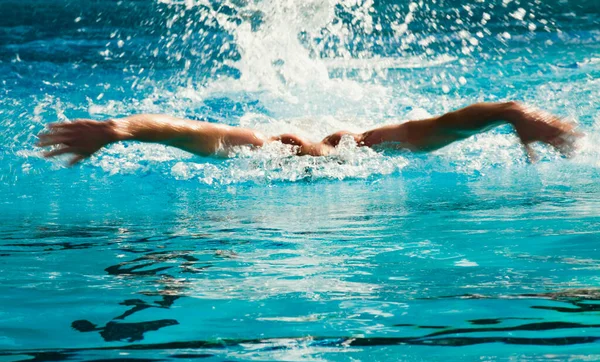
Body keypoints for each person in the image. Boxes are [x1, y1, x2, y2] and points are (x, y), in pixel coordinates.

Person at [37, 101, 582, 165]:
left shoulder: (369, 143)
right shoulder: (262, 146)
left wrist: (511, 112)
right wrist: (119, 130)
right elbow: (186, 131)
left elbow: (446, 124)